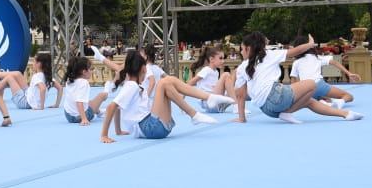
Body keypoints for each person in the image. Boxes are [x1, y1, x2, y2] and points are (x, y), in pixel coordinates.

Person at [233, 32, 363, 124]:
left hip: (267, 110)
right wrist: (310, 44)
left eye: (241, 49)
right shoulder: (269, 55)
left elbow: (240, 95)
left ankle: (345, 114)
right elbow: (295, 51)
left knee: (309, 101)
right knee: (312, 84)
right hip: (277, 98)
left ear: (248, 49)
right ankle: (288, 113)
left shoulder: (240, 68)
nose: (240, 52)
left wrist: (241, 118)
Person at [100, 51, 229, 143]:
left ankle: (202, 106)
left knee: (168, 82)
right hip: (150, 128)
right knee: (164, 82)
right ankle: (200, 107)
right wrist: (104, 135)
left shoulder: (134, 86)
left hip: (155, 128)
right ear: (142, 70)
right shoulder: (131, 86)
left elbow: (117, 107)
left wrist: (118, 130)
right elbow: (112, 106)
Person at [288, 37, 361, 110]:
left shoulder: (296, 62)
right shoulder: (317, 58)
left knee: (320, 97)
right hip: (319, 85)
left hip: (306, 90)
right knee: (349, 96)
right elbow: (334, 62)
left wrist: (296, 95)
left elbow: (293, 81)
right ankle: (339, 102)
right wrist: (348, 73)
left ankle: (324, 101)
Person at [187, 44, 239, 113]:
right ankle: (236, 106)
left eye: (223, 58)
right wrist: (183, 95)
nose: (223, 61)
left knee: (236, 89)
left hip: (215, 102)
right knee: (226, 74)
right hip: (208, 102)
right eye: (220, 58)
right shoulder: (206, 70)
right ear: (211, 59)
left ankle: (225, 107)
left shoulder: (216, 72)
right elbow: (192, 82)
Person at [62, 56, 108, 125]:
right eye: (90, 69)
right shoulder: (83, 82)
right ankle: (98, 112)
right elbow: (79, 101)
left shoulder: (69, 80)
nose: (92, 71)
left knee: (88, 101)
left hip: (68, 115)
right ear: (84, 72)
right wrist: (84, 119)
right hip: (79, 117)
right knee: (103, 95)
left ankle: (99, 112)